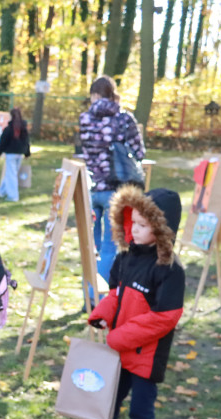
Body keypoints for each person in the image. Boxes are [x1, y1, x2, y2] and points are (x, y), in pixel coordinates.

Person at [67, 187, 185, 419]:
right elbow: (117, 293)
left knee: (140, 410)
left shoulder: (170, 270)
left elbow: (164, 318)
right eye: (133, 221)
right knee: (107, 399)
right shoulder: (126, 257)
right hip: (119, 350)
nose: (135, 228)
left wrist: (119, 338)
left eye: (144, 225)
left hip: (146, 356)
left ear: (161, 230)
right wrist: (102, 312)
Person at [78, 76, 145, 285]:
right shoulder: (124, 119)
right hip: (116, 191)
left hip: (90, 188)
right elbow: (140, 152)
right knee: (109, 248)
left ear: (94, 95)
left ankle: (88, 299)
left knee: (91, 247)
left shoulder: (85, 119)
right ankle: (99, 300)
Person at [0, 107, 31, 202]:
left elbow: (3, 142)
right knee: (11, 173)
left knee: (11, 174)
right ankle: (2, 191)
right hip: (19, 154)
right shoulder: (23, 129)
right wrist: (27, 153)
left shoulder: (9, 129)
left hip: (11, 154)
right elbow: (27, 142)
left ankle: (13, 196)